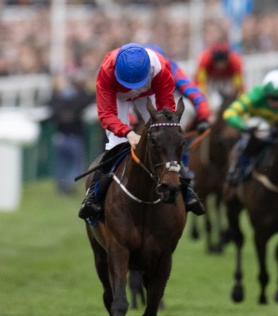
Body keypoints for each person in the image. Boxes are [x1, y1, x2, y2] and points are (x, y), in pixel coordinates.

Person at [78, 43, 205, 221]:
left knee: (166, 138)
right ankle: (93, 196)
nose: (132, 87)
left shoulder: (161, 67)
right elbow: (106, 114)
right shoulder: (107, 69)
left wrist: (165, 129)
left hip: (149, 93)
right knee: (116, 144)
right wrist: (128, 133)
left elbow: (166, 109)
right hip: (118, 96)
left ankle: (187, 190)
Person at [223, 69, 278, 187]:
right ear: (265, 93)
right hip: (260, 129)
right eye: (271, 98)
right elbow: (229, 113)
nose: (275, 103)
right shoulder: (255, 94)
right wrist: (243, 127)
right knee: (259, 128)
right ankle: (238, 171)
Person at [46, 72, 95, 195]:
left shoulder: (59, 98)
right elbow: (91, 98)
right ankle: (69, 184)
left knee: (61, 165)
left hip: (60, 137)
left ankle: (61, 188)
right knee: (77, 165)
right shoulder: (80, 98)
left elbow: (50, 110)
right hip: (75, 137)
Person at [147, 44, 211, 131]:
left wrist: (203, 117)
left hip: (166, 107)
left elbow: (195, 94)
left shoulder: (173, 70)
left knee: (186, 111)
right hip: (141, 107)